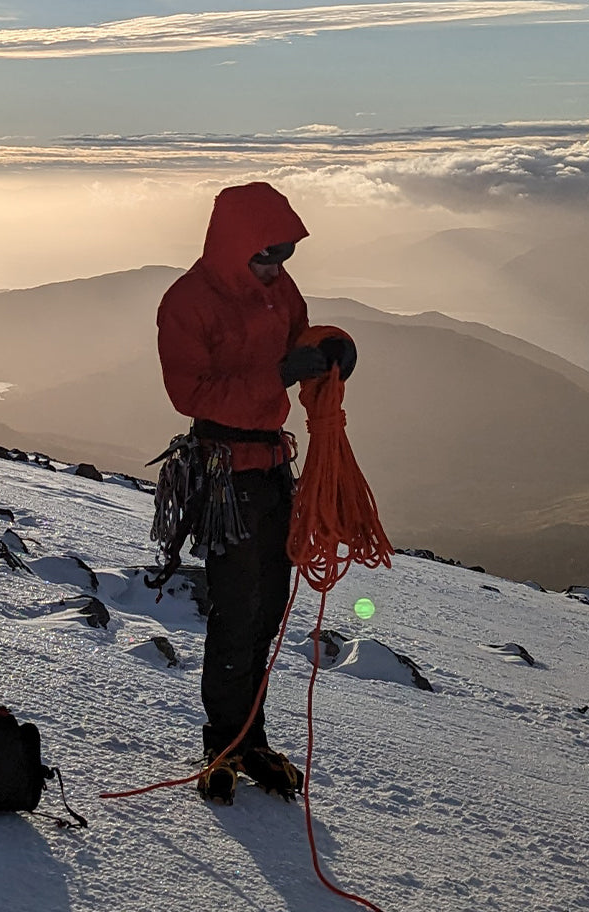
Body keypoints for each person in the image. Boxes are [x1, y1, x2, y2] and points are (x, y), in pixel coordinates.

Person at [155, 182, 356, 804]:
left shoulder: (276, 291)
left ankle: (252, 739)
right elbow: (192, 394)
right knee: (239, 606)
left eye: (285, 256)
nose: (275, 268)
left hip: (269, 465)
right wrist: (276, 376)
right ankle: (223, 744)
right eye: (265, 256)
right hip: (223, 469)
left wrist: (331, 346)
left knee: (267, 605)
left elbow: (299, 334)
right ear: (233, 245)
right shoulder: (187, 302)